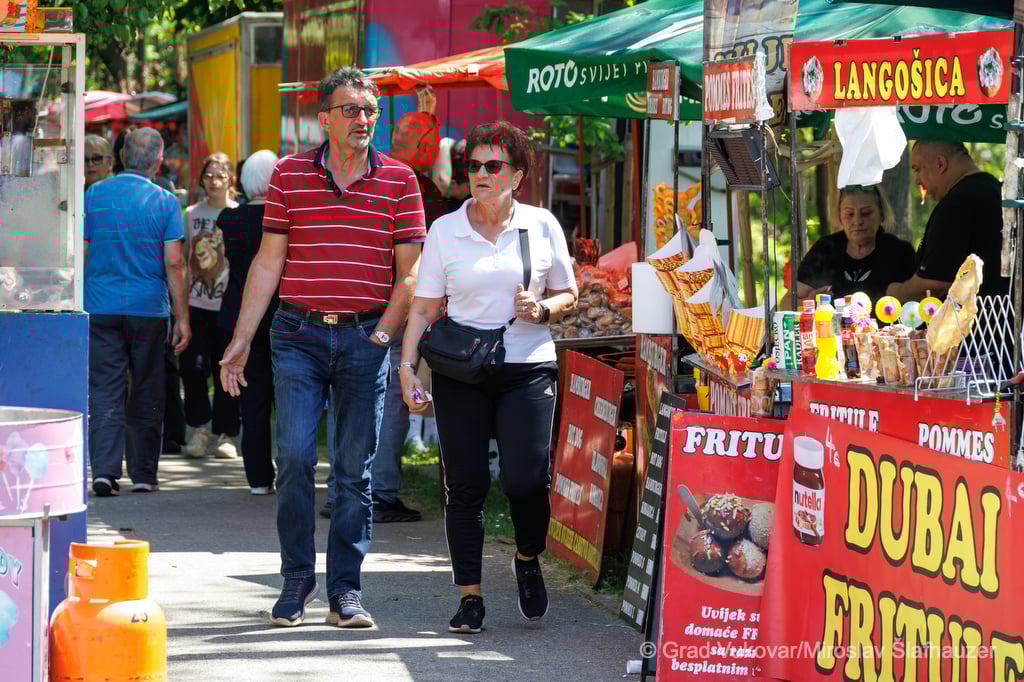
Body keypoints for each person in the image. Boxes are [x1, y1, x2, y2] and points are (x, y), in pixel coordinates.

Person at [219, 66, 426, 628]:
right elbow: (268, 262)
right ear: (326, 119)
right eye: (352, 111)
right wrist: (240, 339)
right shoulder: (290, 176)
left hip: (365, 336)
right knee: (293, 456)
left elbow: (411, 275)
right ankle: (295, 579)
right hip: (298, 335)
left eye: (370, 112)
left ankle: (345, 591)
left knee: (353, 471)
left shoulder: (401, 181)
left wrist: (384, 334)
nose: (363, 121)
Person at [399, 120, 579, 634]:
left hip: (527, 366)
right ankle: (470, 597)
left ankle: (527, 557)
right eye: (473, 166)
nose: (479, 174)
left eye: (492, 166)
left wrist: (540, 310)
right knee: (466, 484)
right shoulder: (445, 230)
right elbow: (423, 308)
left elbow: (569, 294)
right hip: (461, 370)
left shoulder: (542, 225)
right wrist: (408, 369)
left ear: (517, 176)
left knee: (525, 478)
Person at [84, 128, 190, 496]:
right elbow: (174, 263)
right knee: (147, 388)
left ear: (122, 156)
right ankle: (143, 474)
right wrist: (182, 317)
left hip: (99, 307)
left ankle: (104, 471)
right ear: (158, 160)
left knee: (105, 389)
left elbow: (81, 252)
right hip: (148, 309)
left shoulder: (93, 195)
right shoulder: (164, 201)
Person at [216, 150, 281, 495]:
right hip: (282, 314)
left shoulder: (230, 218)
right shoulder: (287, 219)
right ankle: (290, 471)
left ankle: (258, 478)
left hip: (240, 314)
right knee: (288, 400)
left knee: (252, 399)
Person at [887, 140, 1009, 300]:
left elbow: (933, 283)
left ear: (940, 163)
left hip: (973, 319)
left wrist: (894, 292)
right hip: (1005, 312)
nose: (916, 180)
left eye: (918, 169)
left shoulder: (956, 203)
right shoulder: (998, 190)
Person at [181, 152, 242, 459]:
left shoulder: (239, 212)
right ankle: (198, 429)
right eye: (209, 175)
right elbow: (180, 260)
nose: (214, 181)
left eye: (220, 175)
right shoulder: (191, 214)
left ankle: (226, 434)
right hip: (196, 302)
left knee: (227, 368)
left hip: (229, 305)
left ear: (231, 179)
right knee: (193, 367)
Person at [793, 185, 915, 303]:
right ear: (840, 216)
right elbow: (788, 302)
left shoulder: (900, 252)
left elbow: (921, 300)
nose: (857, 221)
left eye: (866, 213)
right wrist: (809, 302)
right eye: (849, 214)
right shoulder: (825, 249)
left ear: (881, 214)